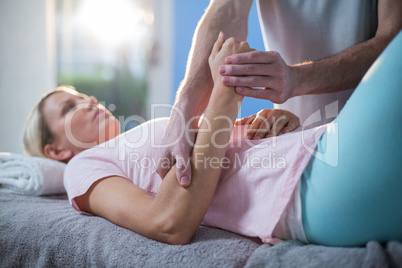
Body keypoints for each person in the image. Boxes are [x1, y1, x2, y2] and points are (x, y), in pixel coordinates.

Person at [23, 31, 402, 247]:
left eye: (83, 96)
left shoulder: (144, 136)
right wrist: (226, 91)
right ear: (57, 149)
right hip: (306, 190)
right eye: (69, 108)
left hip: (315, 152)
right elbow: (168, 222)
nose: (87, 101)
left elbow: (222, 142)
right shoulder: (82, 169)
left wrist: (274, 121)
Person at [155, 0, 402, 186]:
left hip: (374, 128)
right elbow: (227, 10)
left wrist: (298, 79)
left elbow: (394, 40)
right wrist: (184, 108)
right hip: (295, 141)